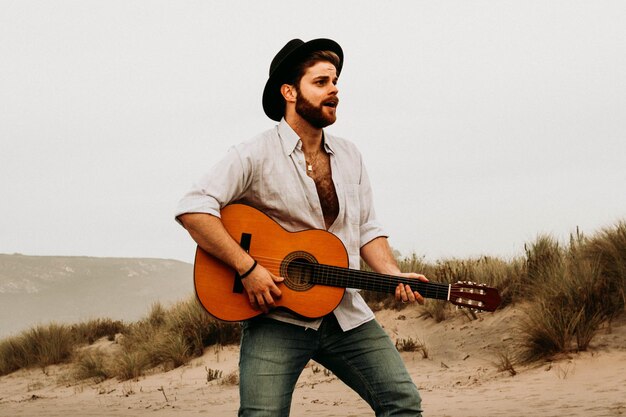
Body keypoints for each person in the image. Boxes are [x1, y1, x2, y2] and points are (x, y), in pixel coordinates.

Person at [175, 38, 426, 417]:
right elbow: (194, 208)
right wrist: (248, 268)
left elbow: (367, 228)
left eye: (335, 81)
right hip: (277, 315)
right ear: (290, 92)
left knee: (403, 404)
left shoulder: (350, 155)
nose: (335, 90)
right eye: (321, 82)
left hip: (345, 311)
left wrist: (392, 274)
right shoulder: (254, 153)